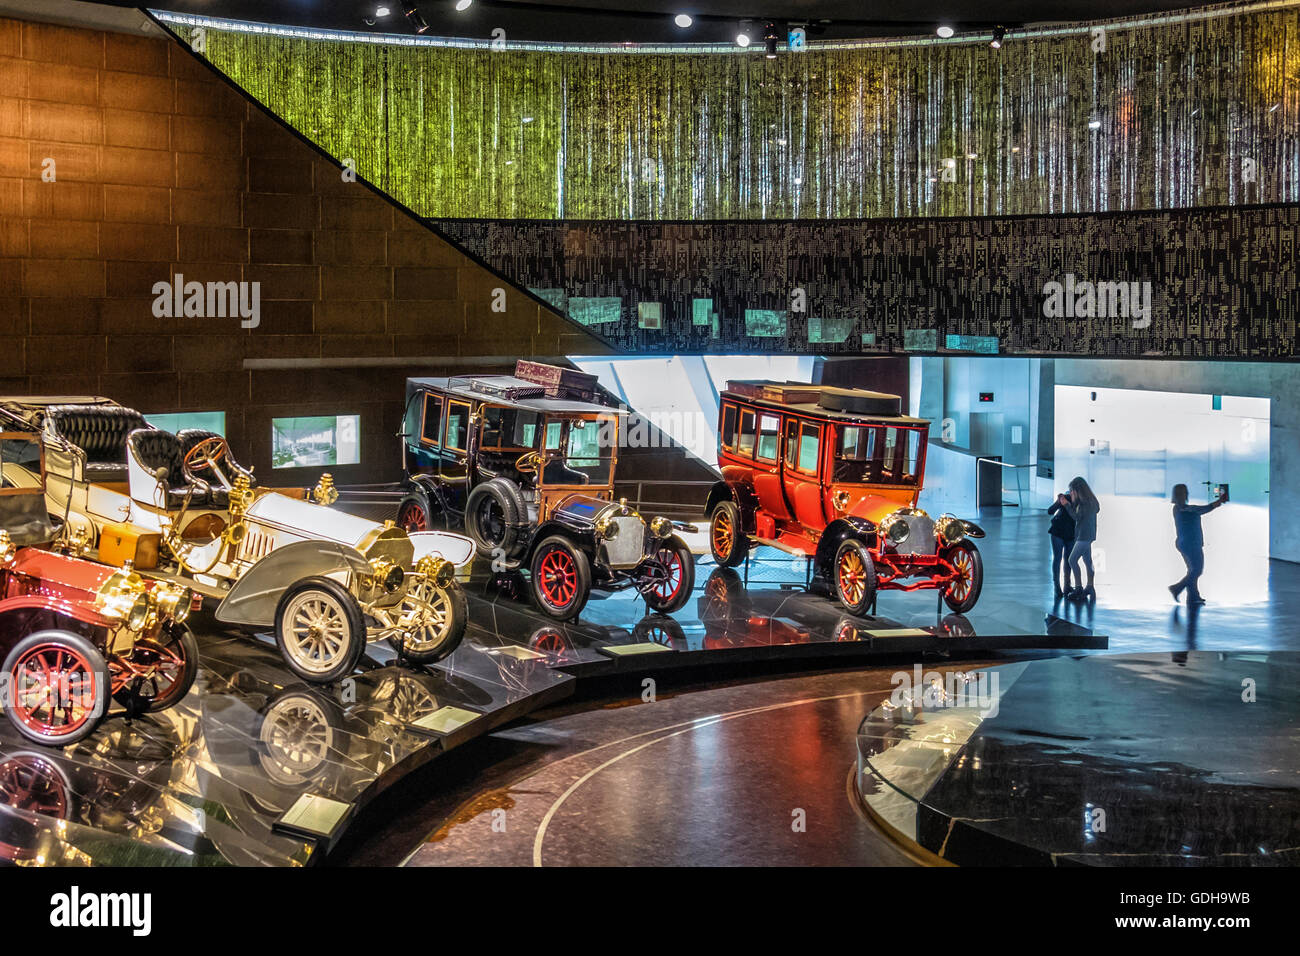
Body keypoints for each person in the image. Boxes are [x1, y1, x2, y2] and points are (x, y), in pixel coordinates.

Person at [1169, 483, 1227, 606]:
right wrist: (1215, 504)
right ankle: (1176, 588)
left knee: (1192, 571)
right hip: (1191, 543)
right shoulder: (1183, 508)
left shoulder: (1178, 508)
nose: (1187, 494)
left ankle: (1193, 596)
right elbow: (1200, 510)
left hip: (1185, 543)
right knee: (1197, 570)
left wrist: (1216, 503)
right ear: (1182, 494)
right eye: (1185, 492)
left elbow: (1197, 510)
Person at [1059, 476, 1100, 601]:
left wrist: (1066, 505)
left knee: (1072, 560)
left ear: (1078, 491)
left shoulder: (1084, 504)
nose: (1071, 493)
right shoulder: (1091, 501)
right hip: (1089, 535)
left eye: (1072, 491)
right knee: (1088, 562)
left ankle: (1078, 588)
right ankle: (1090, 586)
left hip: (1083, 536)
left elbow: (1076, 517)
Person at [1047, 490, 1076, 597]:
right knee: (1058, 558)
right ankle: (1057, 586)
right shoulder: (1066, 498)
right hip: (1058, 531)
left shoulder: (1080, 502)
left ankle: (1066, 586)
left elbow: (1077, 517)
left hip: (1070, 533)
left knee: (1068, 560)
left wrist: (1066, 504)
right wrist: (1059, 502)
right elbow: (1050, 511)